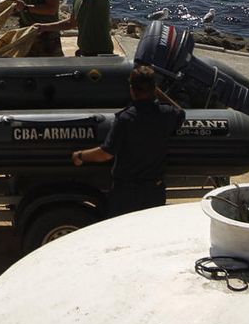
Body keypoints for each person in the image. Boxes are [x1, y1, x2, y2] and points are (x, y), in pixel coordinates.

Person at [70, 64, 185, 216]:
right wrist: (158, 92)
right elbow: (181, 112)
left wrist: (80, 155)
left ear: (132, 89)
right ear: (153, 88)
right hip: (154, 191)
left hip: (127, 193)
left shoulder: (126, 119)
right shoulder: (167, 114)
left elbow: (106, 153)